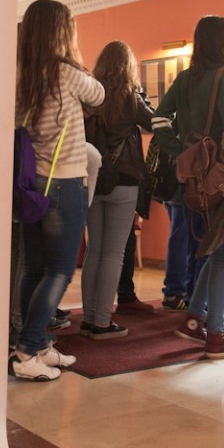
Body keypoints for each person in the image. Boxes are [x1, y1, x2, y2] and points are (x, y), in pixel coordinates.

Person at [11, 0, 104, 380]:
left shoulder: (19, 74)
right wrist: (74, 58)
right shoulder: (65, 73)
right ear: (60, 32)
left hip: (31, 186)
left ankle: (36, 343)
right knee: (61, 271)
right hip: (64, 183)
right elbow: (99, 95)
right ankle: (29, 351)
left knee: (34, 268)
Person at [152, 15, 224, 360]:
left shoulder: (185, 78)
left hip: (193, 178)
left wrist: (181, 151)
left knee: (211, 245)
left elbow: (158, 119)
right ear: (221, 40)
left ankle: (194, 318)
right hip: (222, 178)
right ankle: (216, 334)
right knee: (222, 251)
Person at [81, 41, 153, 339]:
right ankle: (101, 322)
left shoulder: (91, 96)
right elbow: (155, 122)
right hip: (123, 180)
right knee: (113, 253)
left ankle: (87, 318)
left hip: (92, 178)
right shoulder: (131, 99)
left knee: (94, 251)